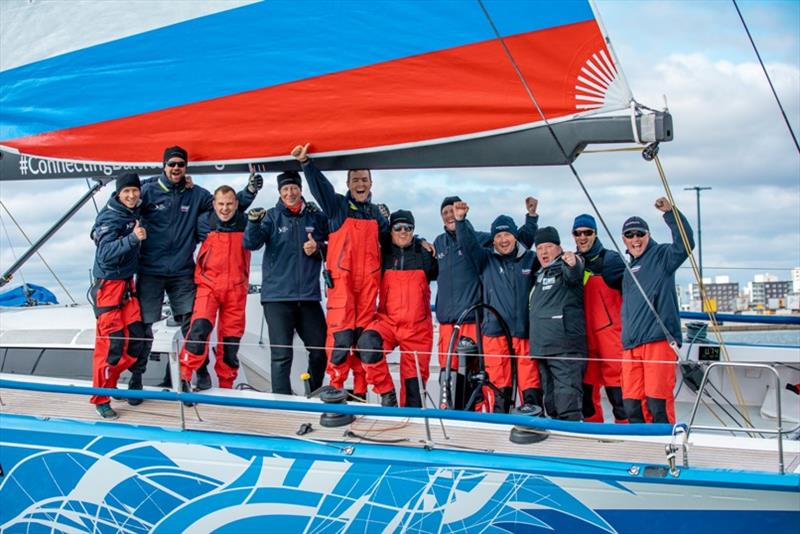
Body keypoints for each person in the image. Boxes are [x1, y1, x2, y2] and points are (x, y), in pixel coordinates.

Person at [131, 146, 259, 403]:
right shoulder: (147, 191)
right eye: (172, 164)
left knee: (195, 324)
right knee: (144, 326)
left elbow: (229, 209)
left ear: (186, 167)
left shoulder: (198, 196)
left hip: (182, 271)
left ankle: (200, 373)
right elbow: (126, 200)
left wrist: (251, 191)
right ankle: (136, 378)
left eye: (180, 164)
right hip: (151, 270)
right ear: (164, 165)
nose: (176, 168)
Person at [291, 143, 384, 399]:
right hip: (342, 285)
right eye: (355, 180)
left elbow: (396, 239)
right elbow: (322, 189)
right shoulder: (338, 207)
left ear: (371, 183)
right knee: (341, 340)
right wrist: (306, 164)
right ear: (349, 184)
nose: (360, 184)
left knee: (363, 341)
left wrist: (420, 241)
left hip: (368, 288)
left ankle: (362, 393)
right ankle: (336, 390)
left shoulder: (378, 214)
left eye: (364, 179)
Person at [434, 195, 539, 409]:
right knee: (484, 380)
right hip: (477, 327)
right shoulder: (447, 246)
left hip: (511, 328)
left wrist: (531, 218)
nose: (502, 239)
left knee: (527, 383)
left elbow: (523, 243)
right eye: (498, 235)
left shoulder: (524, 257)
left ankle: (530, 420)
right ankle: (469, 416)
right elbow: (469, 247)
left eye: (506, 234)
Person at [243, 171, 329, 395]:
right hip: (277, 298)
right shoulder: (271, 217)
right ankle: (282, 399)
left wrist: (319, 247)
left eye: (294, 188)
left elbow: (335, 243)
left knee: (320, 349)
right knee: (281, 354)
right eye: (285, 189)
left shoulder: (315, 217)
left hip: (308, 297)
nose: (290, 193)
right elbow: (251, 244)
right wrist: (252, 223)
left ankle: (314, 391)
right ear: (280, 192)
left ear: (300, 189)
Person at [619, 197, 694, 424]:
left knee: (657, 403)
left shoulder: (662, 256)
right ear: (624, 239)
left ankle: (665, 450)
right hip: (631, 346)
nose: (635, 239)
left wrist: (671, 213)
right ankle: (640, 449)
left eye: (639, 234)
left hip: (658, 342)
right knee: (632, 405)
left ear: (648, 236)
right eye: (630, 235)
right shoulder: (628, 269)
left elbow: (685, 244)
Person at [357, 210, 438, 406]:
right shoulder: (382, 253)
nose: (404, 232)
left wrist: (422, 241)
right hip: (388, 323)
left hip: (417, 330)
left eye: (409, 228)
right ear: (391, 231)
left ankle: (410, 427)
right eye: (398, 228)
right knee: (367, 344)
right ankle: (387, 393)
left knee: (414, 393)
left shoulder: (426, 255)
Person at [177, 186, 252, 396]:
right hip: (208, 286)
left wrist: (252, 191)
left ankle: (227, 388)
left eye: (229, 204)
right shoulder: (203, 222)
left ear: (237, 205)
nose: (225, 208)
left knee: (231, 341)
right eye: (221, 204)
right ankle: (184, 377)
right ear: (214, 204)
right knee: (198, 330)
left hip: (236, 290)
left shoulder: (246, 223)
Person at [88, 173, 148, 419]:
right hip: (109, 288)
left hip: (127, 285)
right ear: (118, 194)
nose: (132, 195)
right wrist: (133, 238)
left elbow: (154, 184)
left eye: (135, 191)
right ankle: (101, 397)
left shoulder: (133, 210)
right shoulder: (109, 217)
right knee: (110, 346)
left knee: (136, 338)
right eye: (127, 192)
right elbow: (105, 253)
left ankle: (111, 384)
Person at [572, 214, 628, 423]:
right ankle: (594, 438)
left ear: (595, 234)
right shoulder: (573, 262)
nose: (582, 237)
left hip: (611, 337)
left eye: (587, 232)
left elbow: (634, 288)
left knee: (619, 394)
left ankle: (627, 436)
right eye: (578, 233)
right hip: (585, 338)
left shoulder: (611, 259)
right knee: (586, 396)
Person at [529, 227, 586, 421]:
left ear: (559, 248)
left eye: (549, 246)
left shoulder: (564, 266)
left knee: (567, 402)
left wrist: (573, 262)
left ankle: (573, 445)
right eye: (540, 248)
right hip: (542, 347)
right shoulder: (539, 274)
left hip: (564, 348)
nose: (544, 252)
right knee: (551, 402)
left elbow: (575, 272)